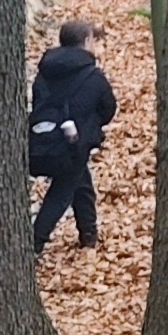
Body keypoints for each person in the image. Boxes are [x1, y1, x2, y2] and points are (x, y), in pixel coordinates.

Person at [32, 19, 118, 250]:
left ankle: (88, 233)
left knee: (81, 180)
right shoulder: (94, 76)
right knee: (62, 191)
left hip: (38, 142)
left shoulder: (44, 73)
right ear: (87, 41)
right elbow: (108, 109)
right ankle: (33, 242)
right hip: (70, 146)